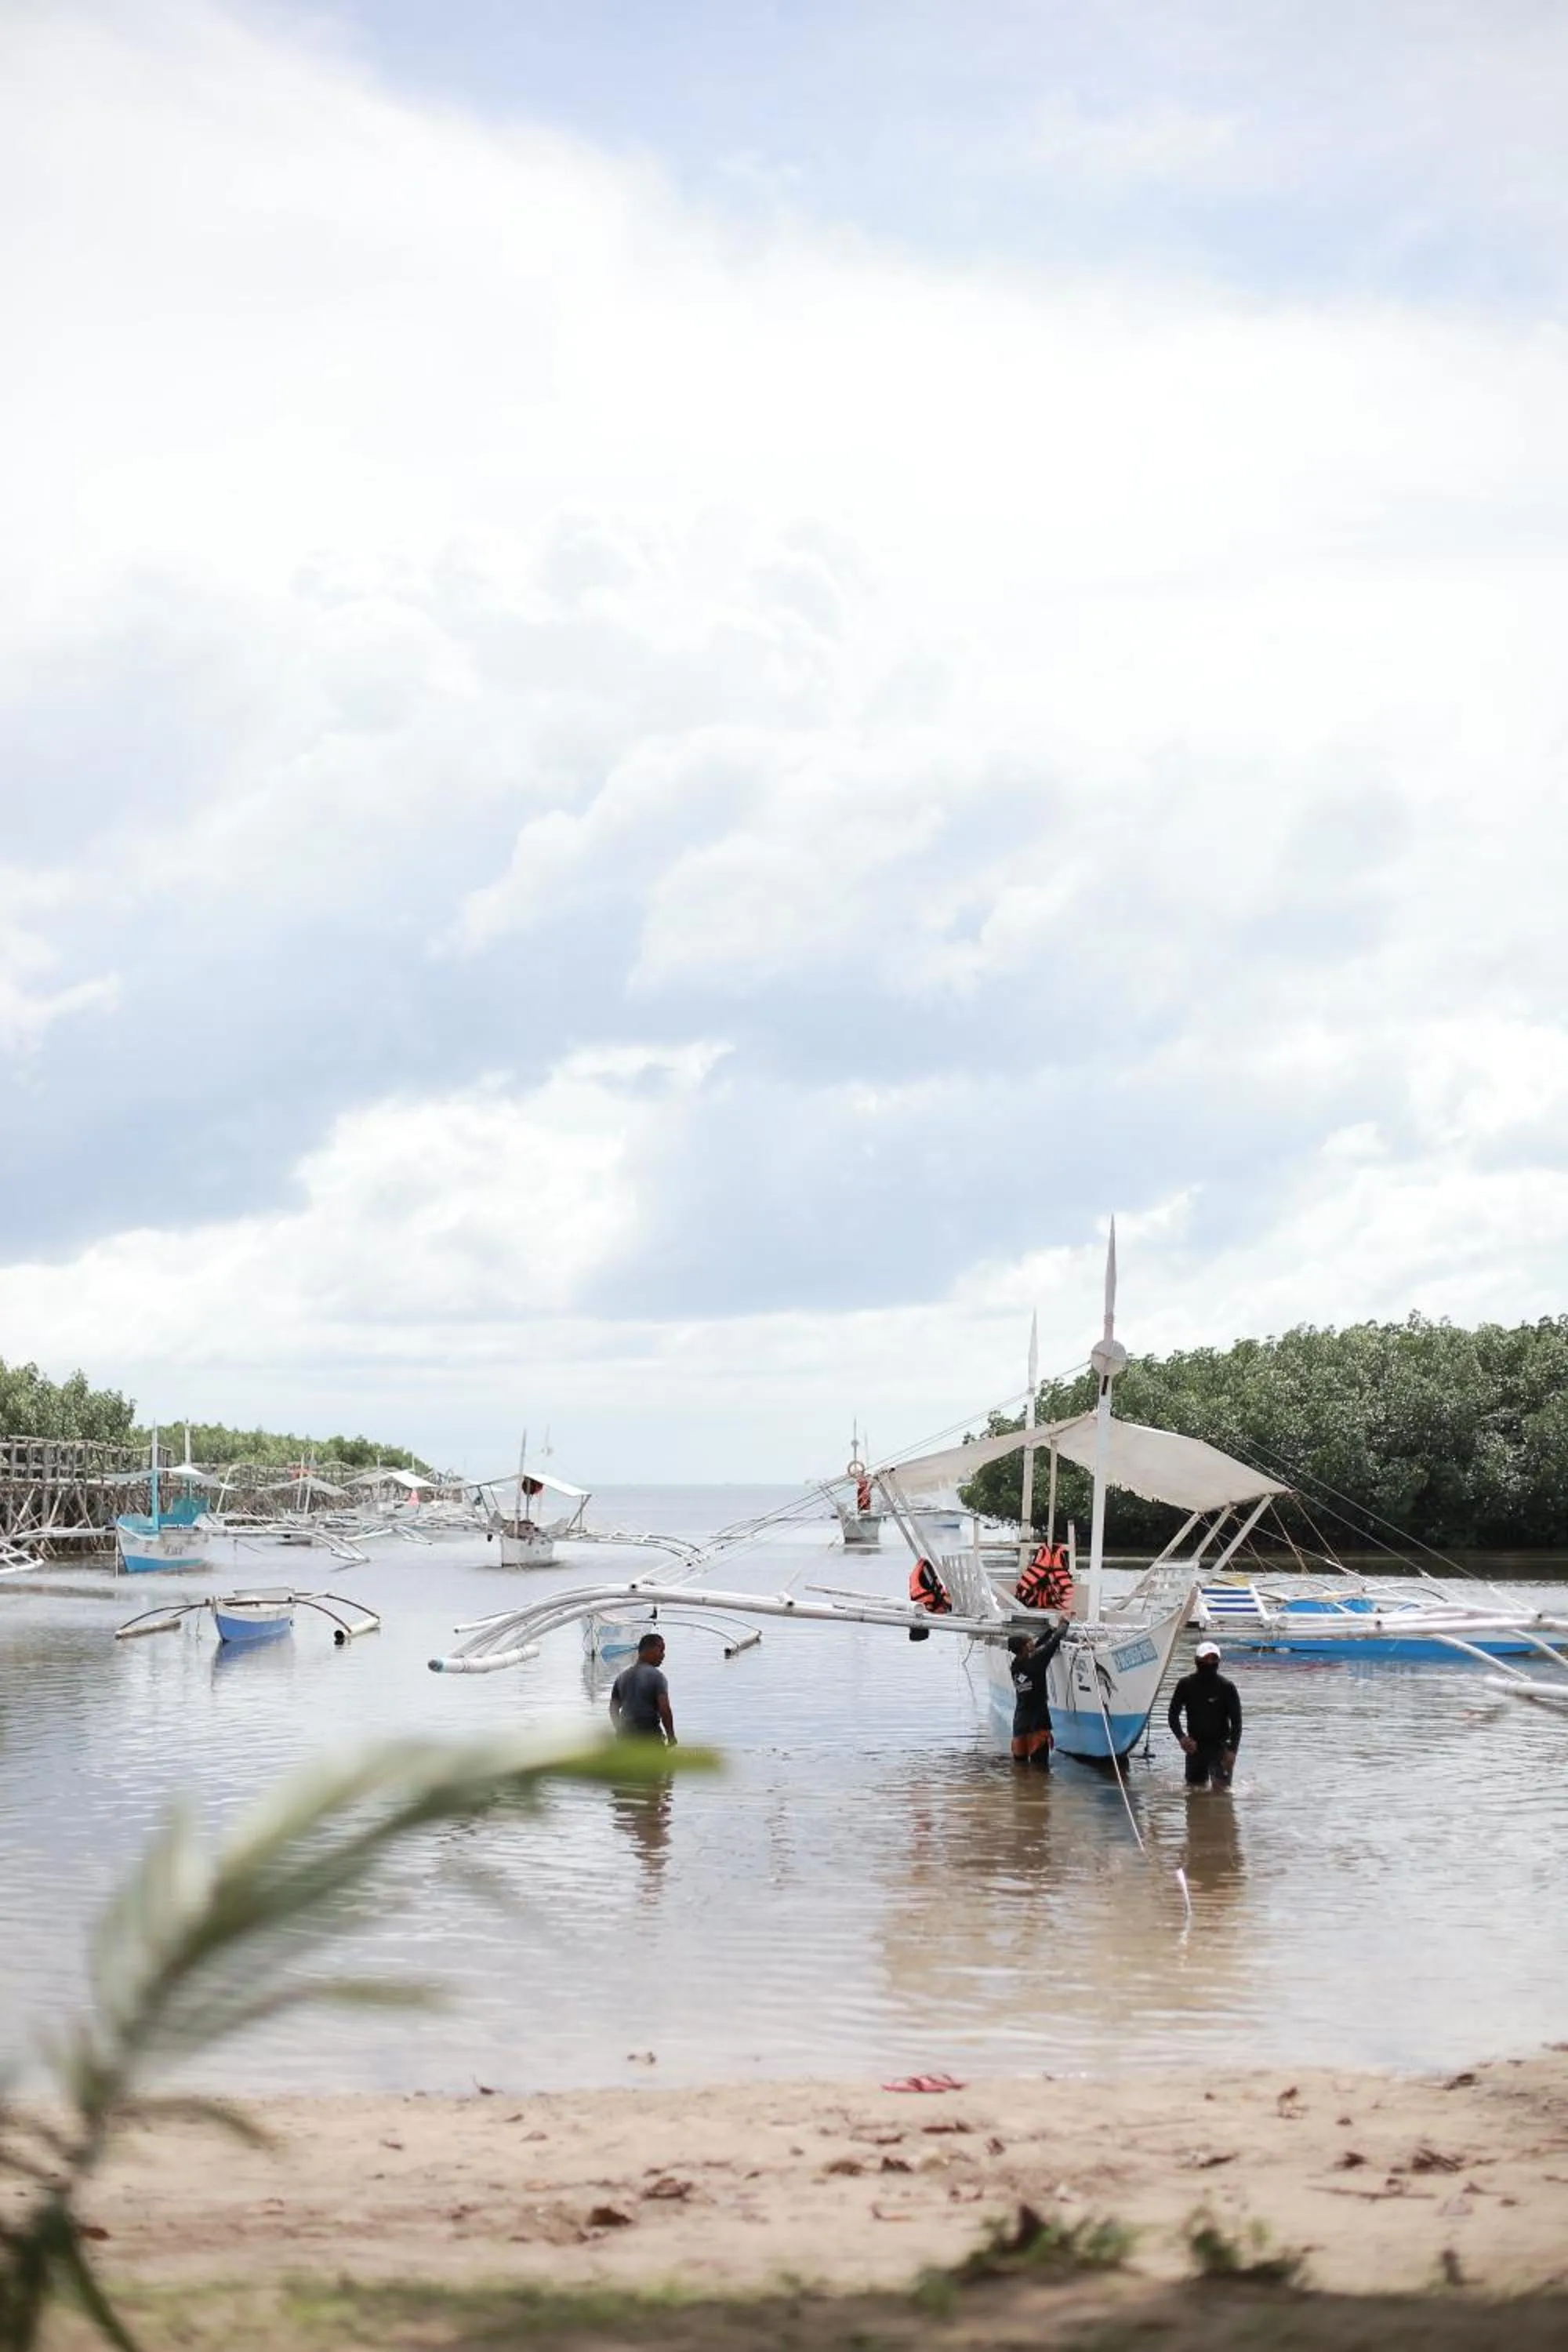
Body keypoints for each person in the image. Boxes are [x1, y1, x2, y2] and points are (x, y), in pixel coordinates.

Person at [1167, 1640, 1242, 1788]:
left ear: (1219, 1661)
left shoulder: (1227, 1687)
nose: (1209, 1662)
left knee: (1223, 1796)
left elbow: (1237, 1722)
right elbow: (1173, 1715)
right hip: (1195, 1748)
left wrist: (1233, 1750)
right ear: (1197, 1660)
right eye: (1205, 1658)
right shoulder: (1186, 1685)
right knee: (1194, 1792)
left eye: (1213, 1658)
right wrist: (1182, 1738)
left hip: (1221, 1748)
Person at [1007, 1619, 1067, 1766]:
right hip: (1038, 1721)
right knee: (1040, 1769)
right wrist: (1064, 1622)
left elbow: (1039, 1647)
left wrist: (1051, 1630)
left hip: (1020, 1723)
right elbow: (1052, 1645)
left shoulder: (1015, 1665)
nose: (1032, 1643)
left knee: (1020, 1769)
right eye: (1029, 1642)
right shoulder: (1036, 1662)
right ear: (1025, 1647)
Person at [608, 1632, 677, 1744]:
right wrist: (671, 1736)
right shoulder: (657, 1677)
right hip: (650, 1737)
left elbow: (613, 1709)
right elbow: (664, 1709)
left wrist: (620, 1730)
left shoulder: (622, 1677)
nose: (663, 1655)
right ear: (649, 1650)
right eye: (661, 1651)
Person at [1014, 1542, 1074, 1614]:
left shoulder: (1057, 1589)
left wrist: (1056, 1569)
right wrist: (1039, 1568)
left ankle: (1048, 1559)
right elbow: (1019, 1598)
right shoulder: (1032, 1590)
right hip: (1032, 1615)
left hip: (1051, 1617)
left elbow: (1067, 1595)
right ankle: (1046, 1559)